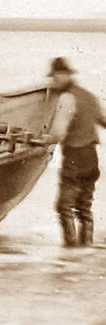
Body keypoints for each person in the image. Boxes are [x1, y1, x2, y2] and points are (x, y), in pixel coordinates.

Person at [46, 57, 106, 247]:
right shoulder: (89, 96)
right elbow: (103, 120)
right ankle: (85, 248)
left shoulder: (66, 98)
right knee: (84, 207)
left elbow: (57, 133)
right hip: (91, 157)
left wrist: (40, 141)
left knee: (64, 207)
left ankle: (71, 250)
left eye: (55, 77)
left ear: (64, 75)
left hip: (74, 157)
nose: (53, 81)